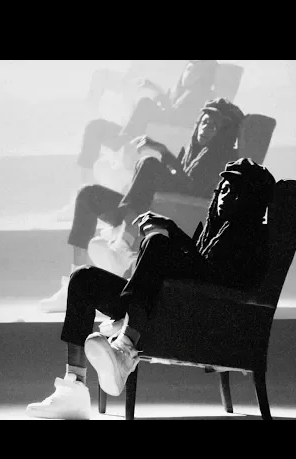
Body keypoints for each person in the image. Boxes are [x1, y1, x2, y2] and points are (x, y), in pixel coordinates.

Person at [25, 157, 277, 419]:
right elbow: (199, 269)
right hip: (165, 305)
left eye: (236, 192)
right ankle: (74, 388)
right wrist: (172, 232)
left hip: (199, 320)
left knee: (156, 242)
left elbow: (216, 283)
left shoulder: (254, 238)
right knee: (84, 278)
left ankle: (125, 348)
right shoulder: (216, 229)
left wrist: (170, 234)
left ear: (253, 200)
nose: (225, 196)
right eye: (223, 189)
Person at [39, 98, 245, 312]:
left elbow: (193, 192)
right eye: (204, 121)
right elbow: (176, 183)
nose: (206, 127)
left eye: (214, 125)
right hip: (147, 211)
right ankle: (73, 281)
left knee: (149, 163)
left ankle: (123, 243)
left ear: (226, 132)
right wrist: (165, 157)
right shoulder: (192, 150)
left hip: (171, 219)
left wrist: (164, 153)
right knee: (88, 195)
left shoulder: (225, 157)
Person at [75, 60, 219, 186]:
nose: (188, 73)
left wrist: (155, 93)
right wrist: (154, 89)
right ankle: (86, 179)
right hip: (138, 131)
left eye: (194, 70)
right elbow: (166, 107)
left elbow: (175, 118)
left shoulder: (203, 95)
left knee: (145, 103)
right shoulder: (179, 91)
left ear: (203, 74)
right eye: (188, 68)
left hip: (152, 137)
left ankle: (121, 140)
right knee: (95, 127)